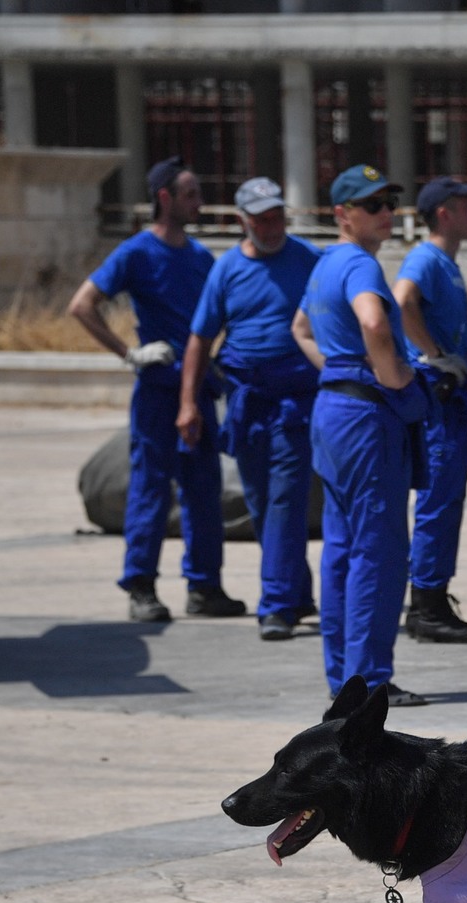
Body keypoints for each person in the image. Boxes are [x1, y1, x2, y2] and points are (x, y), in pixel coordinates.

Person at [68, 157, 242, 623]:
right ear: (164, 197)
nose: (199, 202)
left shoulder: (202, 259)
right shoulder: (136, 253)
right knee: (150, 488)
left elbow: (221, 317)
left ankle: (205, 586)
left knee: (203, 490)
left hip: (200, 390)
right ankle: (140, 586)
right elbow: (82, 306)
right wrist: (128, 354)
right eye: (190, 194)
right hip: (158, 391)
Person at [290, 164, 430, 708]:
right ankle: (368, 682)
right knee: (379, 550)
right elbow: (374, 323)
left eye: (389, 203)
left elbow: (300, 329)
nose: (385, 214)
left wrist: (338, 370)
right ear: (343, 215)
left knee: (343, 549)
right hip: (367, 419)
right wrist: (393, 375)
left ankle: (343, 677)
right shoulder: (359, 267)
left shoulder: (326, 264)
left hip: (335, 410)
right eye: (372, 206)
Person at [179, 176, 322, 640]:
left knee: (285, 499)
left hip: (295, 403)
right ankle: (297, 590)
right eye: (262, 219)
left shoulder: (307, 260)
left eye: (278, 216)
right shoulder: (226, 270)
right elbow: (201, 338)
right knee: (261, 503)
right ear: (242, 221)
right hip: (246, 402)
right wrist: (188, 404)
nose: (273, 225)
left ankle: (276, 605)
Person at [393, 175, 467, 644]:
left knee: (448, 499)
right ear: (442, 213)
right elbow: (402, 302)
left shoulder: (446, 264)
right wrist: (434, 354)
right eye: (465, 205)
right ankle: (427, 604)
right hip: (439, 397)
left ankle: (433, 597)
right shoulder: (426, 258)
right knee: (437, 500)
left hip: (452, 395)